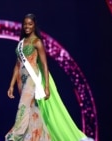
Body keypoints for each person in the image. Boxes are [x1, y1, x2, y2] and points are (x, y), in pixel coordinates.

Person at [5, 13, 94, 141]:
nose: (27, 26)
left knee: (31, 109)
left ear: (34, 25)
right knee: (34, 112)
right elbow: (17, 65)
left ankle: (15, 137)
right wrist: (11, 84)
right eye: (25, 24)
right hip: (23, 82)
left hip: (35, 80)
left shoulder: (37, 42)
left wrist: (46, 87)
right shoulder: (21, 43)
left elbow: (45, 65)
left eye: (30, 24)